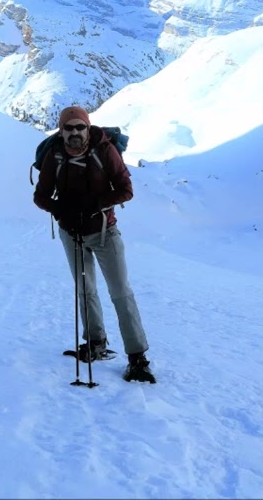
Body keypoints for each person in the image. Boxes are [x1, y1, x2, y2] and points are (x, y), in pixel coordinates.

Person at [33, 106, 155, 383]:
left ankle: (137, 357)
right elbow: (40, 196)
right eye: (68, 128)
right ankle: (96, 342)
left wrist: (95, 204)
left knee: (120, 292)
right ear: (61, 131)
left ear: (88, 128)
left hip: (104, 232)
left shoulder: (104, 150)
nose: (74, 132)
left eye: (80, 127)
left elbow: (126, 190)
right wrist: (59, 210)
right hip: (71, 232)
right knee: (85, 290)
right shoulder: (54, 155)